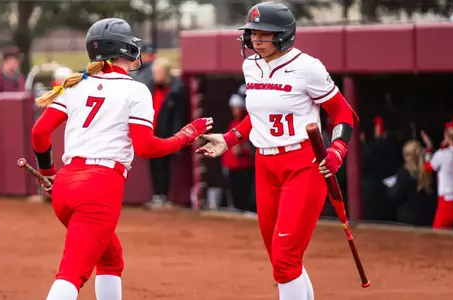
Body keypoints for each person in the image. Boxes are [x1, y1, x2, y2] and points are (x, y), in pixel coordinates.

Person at [30, 18, 212, 300]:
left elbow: (39, 132)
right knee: (71, 274)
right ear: (126, 50)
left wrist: (49, 171)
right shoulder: (135, 89)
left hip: (66, 185)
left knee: (111, 259)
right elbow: (147, 147)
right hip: (99, 188)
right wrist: (186, 136)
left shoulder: (76, 84)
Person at [196, 2, 358, 299]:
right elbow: (256, 117)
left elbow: (345, 114)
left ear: (283, 35)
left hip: (303, 164)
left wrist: (337, 150)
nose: (255, 39)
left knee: (284, 260)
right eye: (252, 32)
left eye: (263, 33)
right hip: (265, 165)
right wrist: (230, 139)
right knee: (281, 259)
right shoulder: (250, 66)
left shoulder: (308, 67)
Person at [144, 57, 189, 208]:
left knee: (164, 165)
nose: (156, 76)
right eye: (155, 72)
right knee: (154, 165)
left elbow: (179, 116)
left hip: (166, 134)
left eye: (159, 73)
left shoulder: (176, 90)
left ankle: (163, 196)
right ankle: (157, 195)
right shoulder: (150, 87)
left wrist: (176, 137)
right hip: (151, 132)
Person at [422, 116, 453, 229]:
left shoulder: (443, 154)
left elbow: (428, 168)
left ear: (449, 135)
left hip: (448, 203)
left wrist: (429, 149)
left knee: (437, 238)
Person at [386, 140, 436, 226]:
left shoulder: (404, 173)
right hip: (427, 218)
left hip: (407, 220)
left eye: (406, 155)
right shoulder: (429, 172)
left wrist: (388, 190)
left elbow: (396, 195)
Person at [221, 86, 255, 213]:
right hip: (232, 165)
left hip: (245, 166)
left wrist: (243, 150)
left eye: (237, 108)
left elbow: (252, 147)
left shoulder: (250, 123)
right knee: (234, 193)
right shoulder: (232, 124)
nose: (235, 111)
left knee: (244, 192)